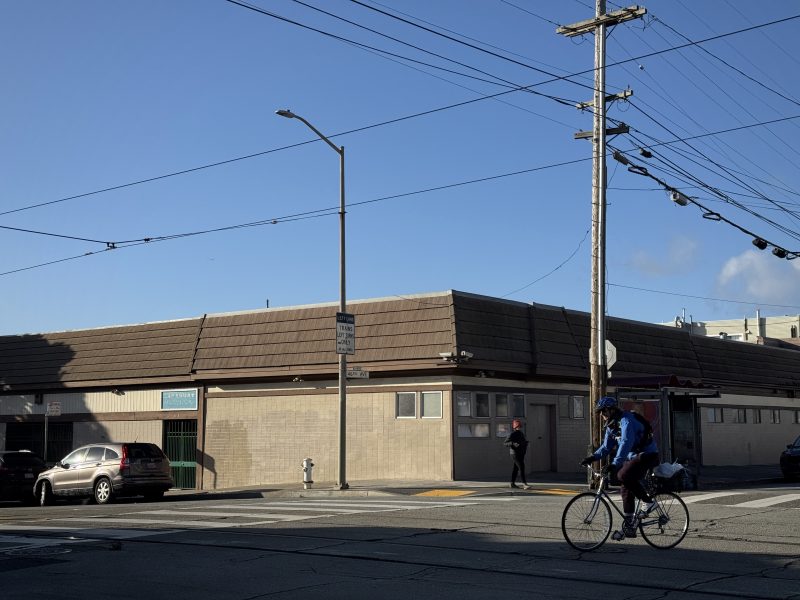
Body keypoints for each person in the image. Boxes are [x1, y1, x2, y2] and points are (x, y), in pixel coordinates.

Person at [581, 396, 659, 537]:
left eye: (603, 412)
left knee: (622, 475)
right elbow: (606, 447)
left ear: (611, 410)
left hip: (648, 455)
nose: (602, 415)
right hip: (633, 457)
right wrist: (592, 458)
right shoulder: (612, 425)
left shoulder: (626, 420)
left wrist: (615, 464)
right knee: (625, 487)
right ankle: (629, 527)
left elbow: (625, 443)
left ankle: (649, 503)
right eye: (600, 412)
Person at [504, 419, 532, 490]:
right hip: (515, 454)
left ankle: (512, 483)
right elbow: (505, 443)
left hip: (521, 453)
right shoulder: (512, 434)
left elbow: (522, 442)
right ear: (515, 427)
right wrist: (513, 443)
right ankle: (524, 484)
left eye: (520, 426)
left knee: (516, 469)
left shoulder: (521, 434)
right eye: (518, 426)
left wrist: (526, 443)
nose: (519, 427)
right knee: (521, 467)